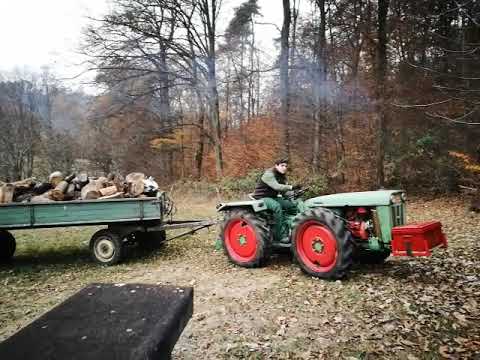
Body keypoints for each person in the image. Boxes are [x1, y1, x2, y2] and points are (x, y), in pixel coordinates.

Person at [252, 158, 300, 243]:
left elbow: (283, 191)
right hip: (261, 197)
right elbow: (276, 186)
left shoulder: (281, 176)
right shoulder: (269, 174)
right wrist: (291, 187)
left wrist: (293, 194)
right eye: (282, 165)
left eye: (286, 166)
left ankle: (293, 227)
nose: (284, 168)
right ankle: (280, 235)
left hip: (272, 197)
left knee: (291, 206)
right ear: (276, 165)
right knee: (277, 207)